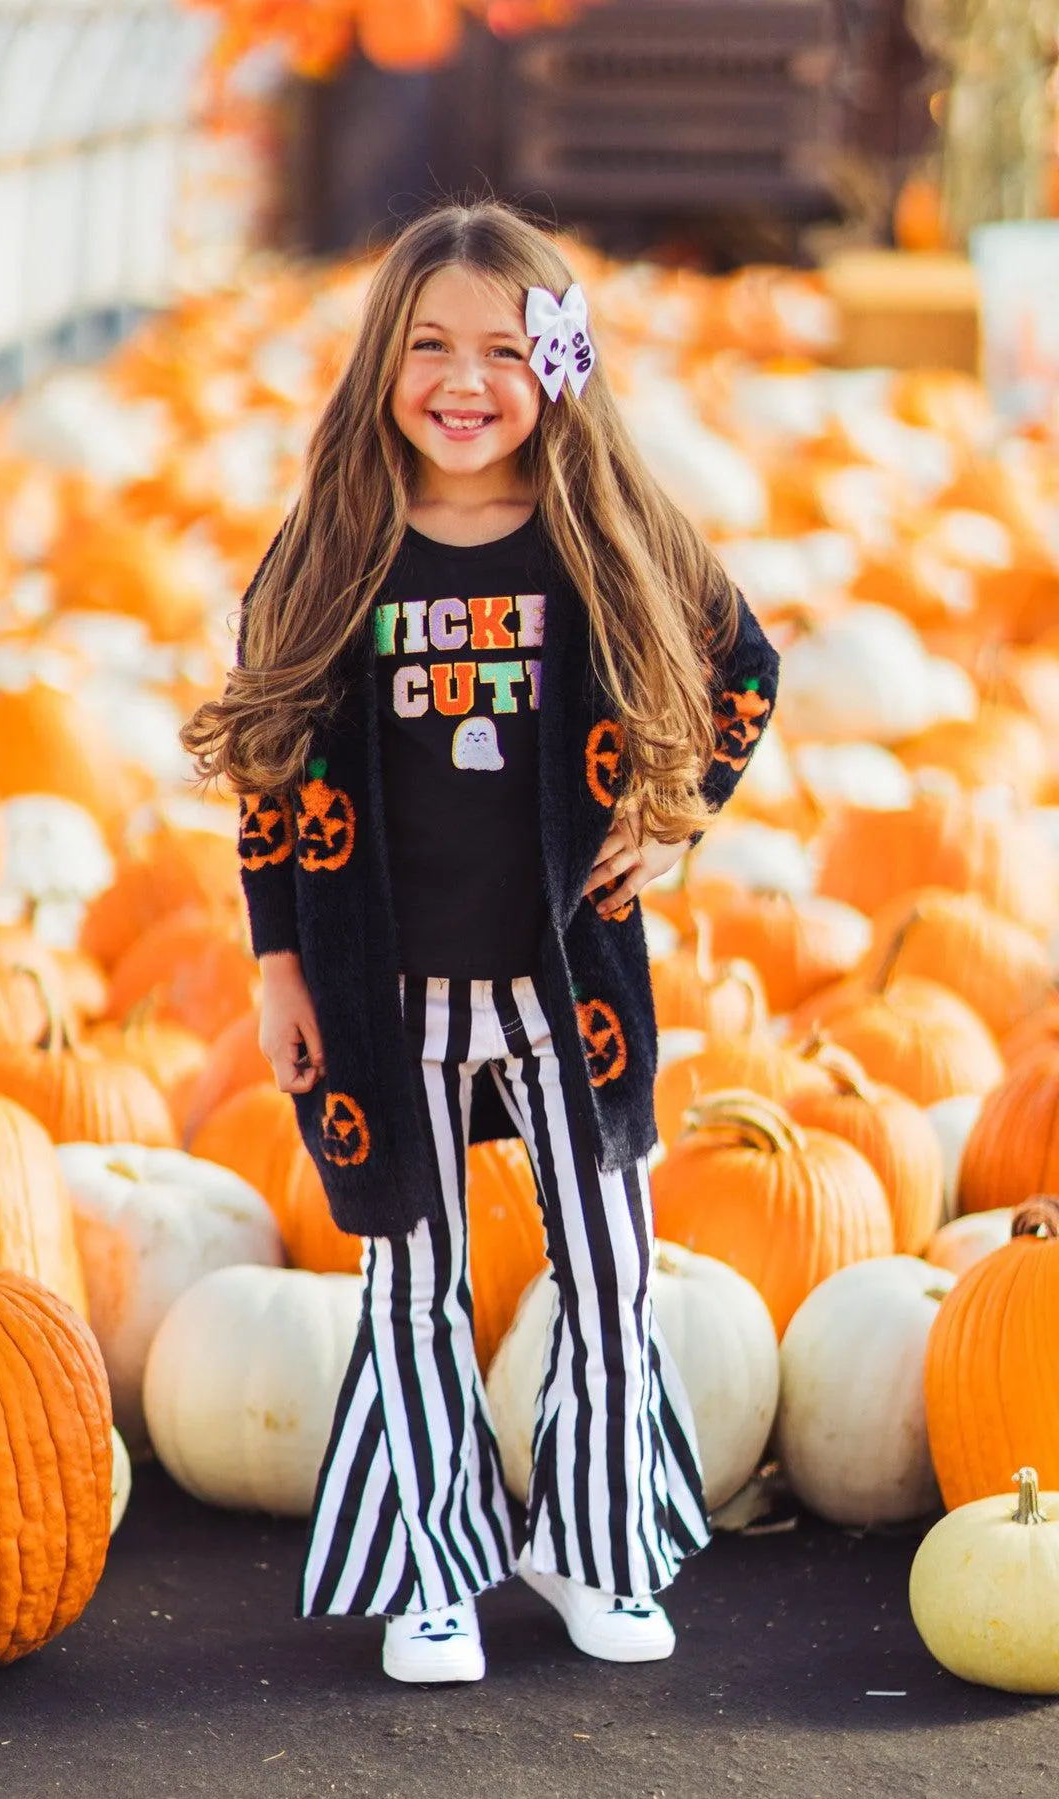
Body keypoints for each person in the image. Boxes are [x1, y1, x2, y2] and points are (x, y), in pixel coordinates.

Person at [181, 200, 780, 1686]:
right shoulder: (334, 553)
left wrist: (689, 804)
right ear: (384, 359)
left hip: (566, 985)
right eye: (431, 345)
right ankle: (430, 1565)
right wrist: (277, 966)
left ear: (558, 367)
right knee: (412, 1282)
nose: (466, 380)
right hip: (391, 996)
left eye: (505, 351)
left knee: (612, 1263)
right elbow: (270, 772)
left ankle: (591, 1539)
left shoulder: (603, 532)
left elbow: (746, 665)